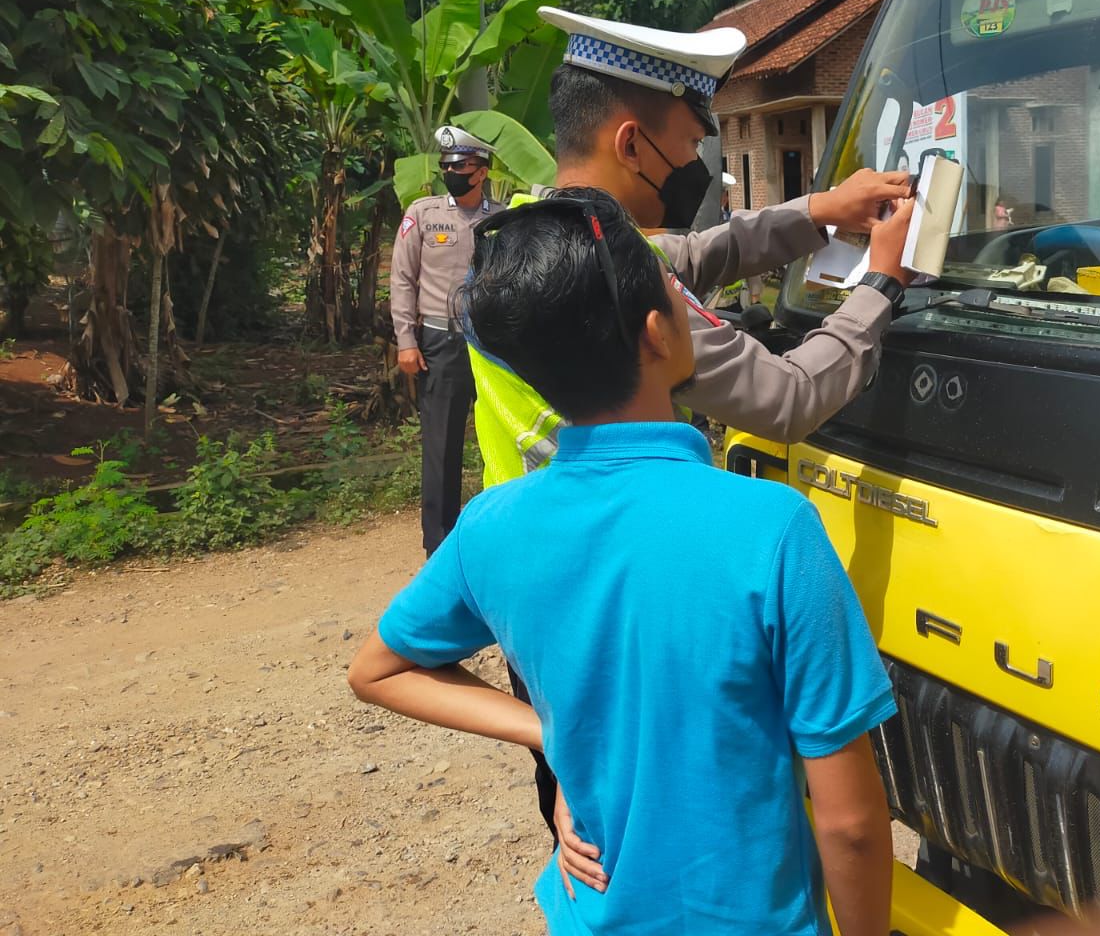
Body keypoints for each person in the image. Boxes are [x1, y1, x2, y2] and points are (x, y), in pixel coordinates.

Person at [348, 190, 897, 936]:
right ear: (657, 335)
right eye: (676, 296)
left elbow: (377, 670)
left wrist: (548, 731)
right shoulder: (772, 530)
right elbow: (852, 824)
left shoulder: (491, 528)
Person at [464, 7, 913, 842]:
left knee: (584, 802)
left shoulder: (529, 236)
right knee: (662, 814)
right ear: (633, 143)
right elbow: (784, 400)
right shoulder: (619, 287)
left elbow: (697, 252)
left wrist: (819, 209)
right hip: (627, 591)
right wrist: (879, 285)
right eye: (689, 143)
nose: (699, 165)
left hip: (540, 581)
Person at [389, 125, 506, 555]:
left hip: (493, 342)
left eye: (460, 166)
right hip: (440, 341)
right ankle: (438, 546)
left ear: (482, 171)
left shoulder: (503, 217)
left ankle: (504, 532)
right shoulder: (423, 213)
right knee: (441, 445)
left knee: (508, 437)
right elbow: (402, 279)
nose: (451, 173)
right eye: (446, 166)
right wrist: (406, 339)